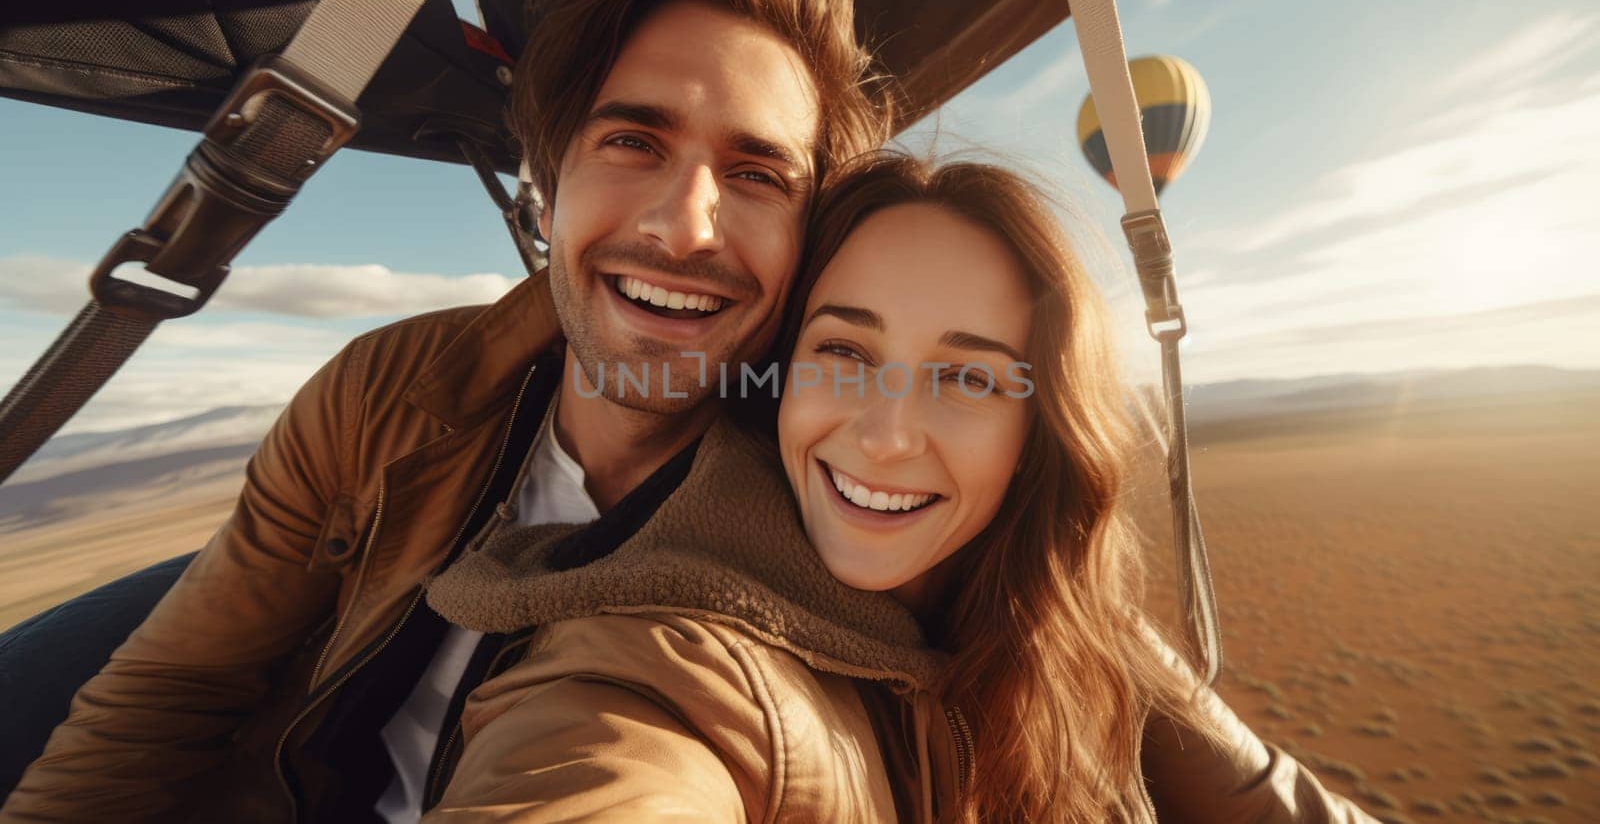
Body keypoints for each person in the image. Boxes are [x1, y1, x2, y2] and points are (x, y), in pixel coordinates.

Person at [0, 0, 890, 822]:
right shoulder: (387, 388)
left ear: (808, 234)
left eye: (755, 173)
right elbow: (174, 688)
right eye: (632, 140)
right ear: (547, 179)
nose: (684, 227)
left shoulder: (845, 499)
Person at [418, 152, 1381, 822]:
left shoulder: (1068, 627)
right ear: (779, 375)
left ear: (1037, 432)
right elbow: (611, 759)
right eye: (842, 350)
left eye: (966, 376)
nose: (884, 435)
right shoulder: (672, 667)